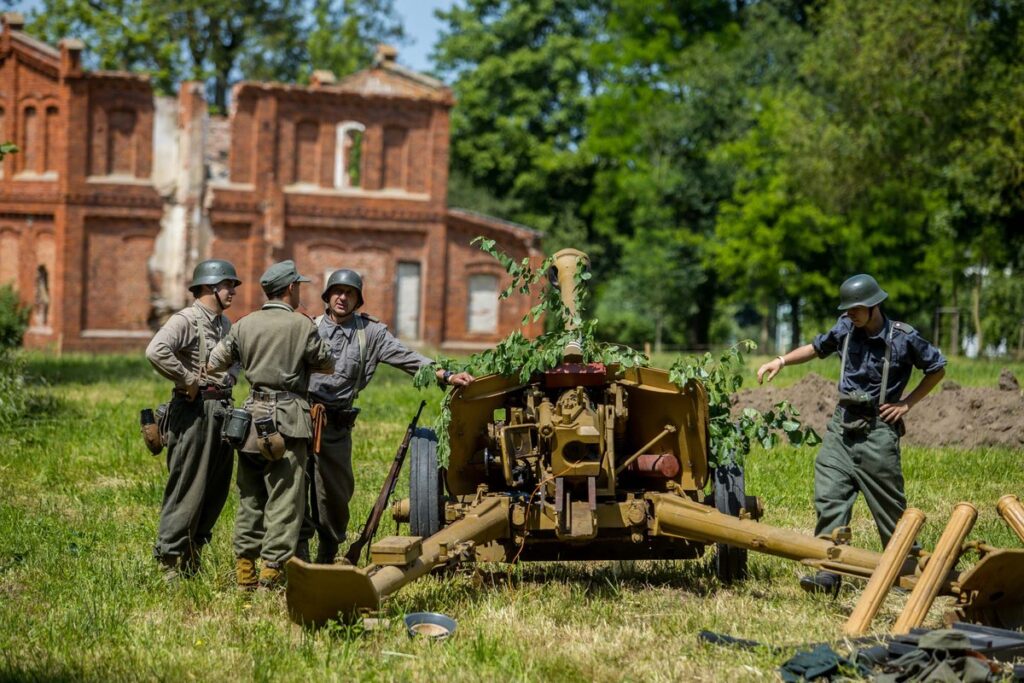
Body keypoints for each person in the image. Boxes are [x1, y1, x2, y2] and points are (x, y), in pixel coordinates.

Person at [756, 274, 946, 595]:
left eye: (856, 308)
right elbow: (816, 348)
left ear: (874, 306)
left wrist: (907, 403)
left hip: (878, 431)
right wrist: (781, 361)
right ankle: (828, 568)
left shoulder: (903, 338)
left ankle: (906, 571)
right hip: (841, 427)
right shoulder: (845, 329)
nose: (850, 314)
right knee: (829, 493)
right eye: (847, 309)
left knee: (889, 508)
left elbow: (936, 368)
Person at [299, 269, 474, 564]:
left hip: (337, 425)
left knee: (334, 496)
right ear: (327, 296)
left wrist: (446, 374)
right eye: (337, 291)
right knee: (296, 489)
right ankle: (299, 555)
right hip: (302, 419)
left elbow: (408, 358)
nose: (342, 298)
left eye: (350, 293)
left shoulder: (371, 333)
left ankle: (327, 554)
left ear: (358, 300)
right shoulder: (307, 327)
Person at [206, 260, 334, 590]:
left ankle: (244, 570)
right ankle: (271, 572)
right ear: (290, 288)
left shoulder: (244, 324)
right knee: (285, 499)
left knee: (250, 497)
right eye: (298, 286)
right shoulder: (302, 325)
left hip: (250, 419)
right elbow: (327, 363)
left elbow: (215, 362)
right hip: (288, 420)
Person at [145, 259, 241, 580]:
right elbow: (156, 350)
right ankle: (170, 561)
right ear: (210, 286)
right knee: (187, 487)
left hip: (221, 411)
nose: (233, 291)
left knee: (215, 488)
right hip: (193, 412)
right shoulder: (186, 319)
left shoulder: (224, 324)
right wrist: (188, 379)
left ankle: (192, 554)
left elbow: (236, 357)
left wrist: (230, 377)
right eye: (228, 285)